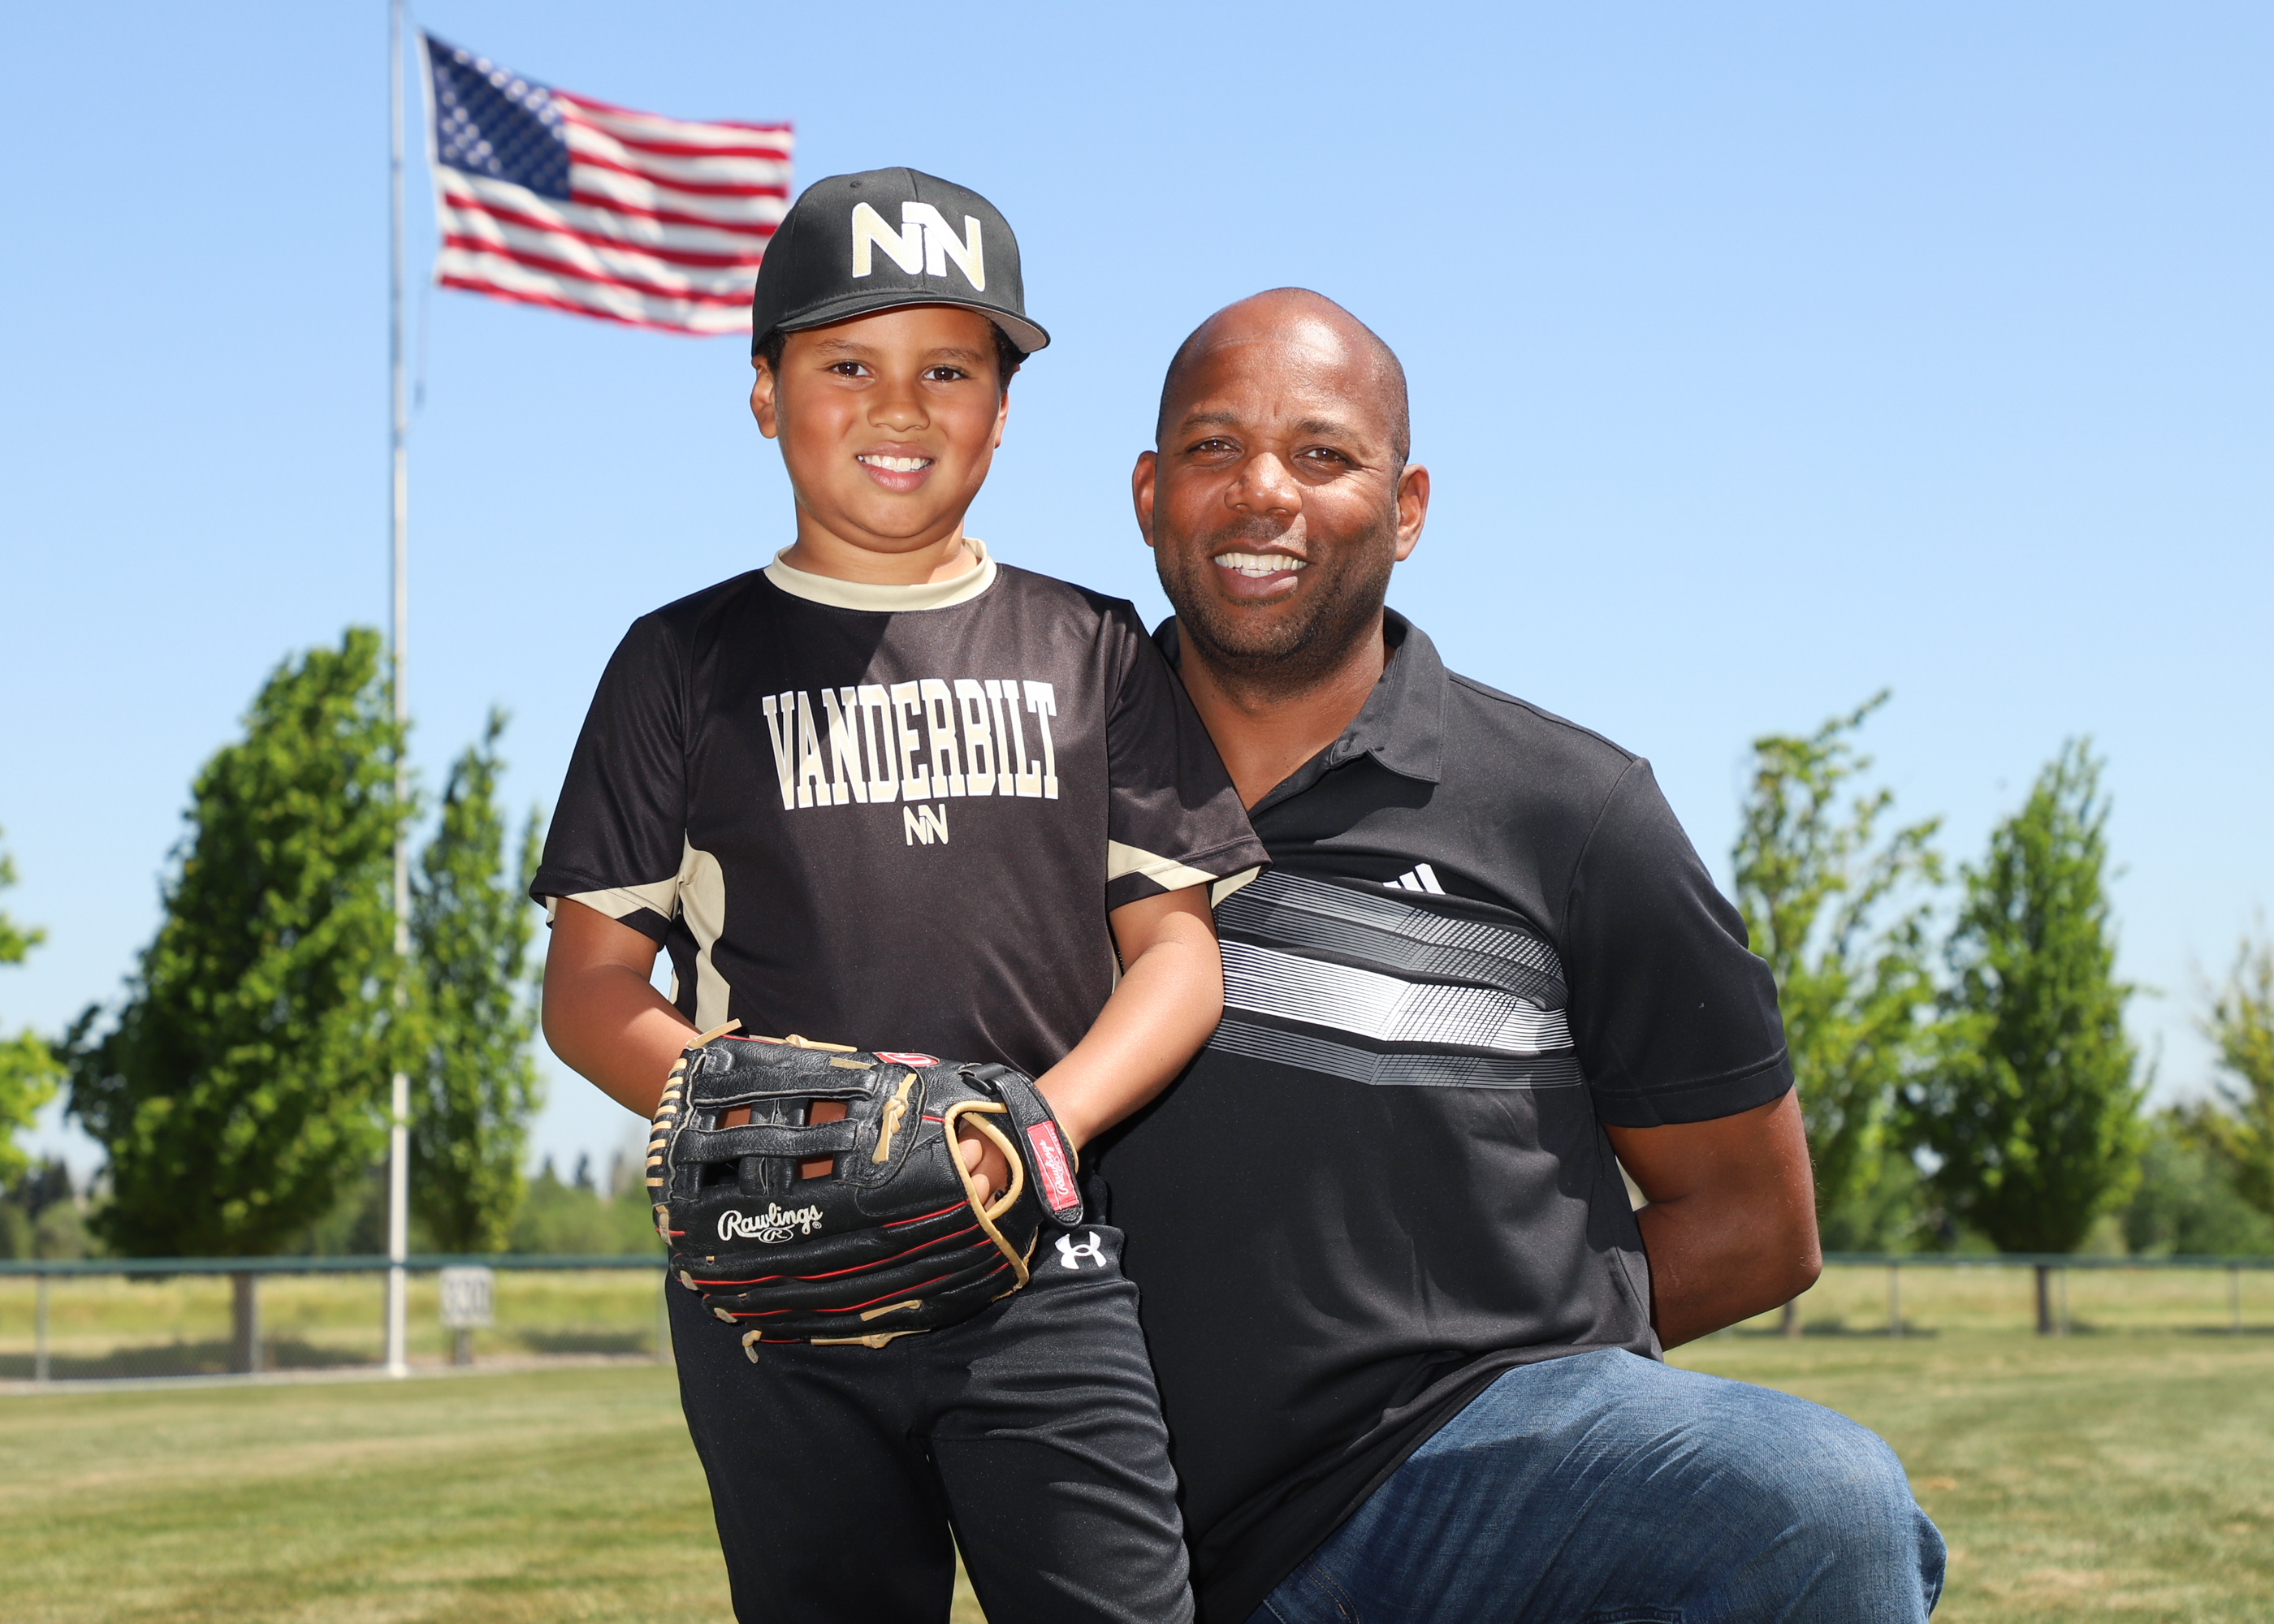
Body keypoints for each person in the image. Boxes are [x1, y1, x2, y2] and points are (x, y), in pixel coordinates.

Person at [1101, 287, 1948, 1623]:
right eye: (1215, 447)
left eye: (1323, 454)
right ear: (1151, 494)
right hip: (1155, 1552)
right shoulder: (1033, 797)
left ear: (1407, 507)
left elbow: (1757, 1224)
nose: (1264, 491)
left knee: (1816, 1503)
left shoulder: (1575, 811)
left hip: (1484, 1486)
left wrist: (1525, 1340)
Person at [531, 169, 1265, 1624]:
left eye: (949, 369)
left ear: (1002, 412)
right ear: (764, 393)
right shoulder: (681, 663)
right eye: (847, 365)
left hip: (1041, 1268)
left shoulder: (1093, 647)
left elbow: (1178, 958)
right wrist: (794, 1136)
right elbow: (589, 988)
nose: (901, 407)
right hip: (776, 1284)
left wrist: (1023, 1132)